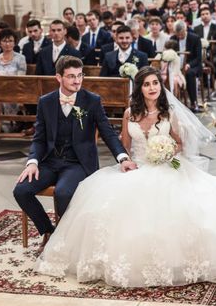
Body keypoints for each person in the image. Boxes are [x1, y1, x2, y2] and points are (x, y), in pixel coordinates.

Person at [35, 67, 216, 287]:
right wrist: (126, 163)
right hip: (138, 166)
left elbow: (179, 143)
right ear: (139, 88)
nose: (152, 88)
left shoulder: (169, 112)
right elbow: (126, 147)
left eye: (155, 83)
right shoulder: (129, 114)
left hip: (168, 167)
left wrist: (167, 151)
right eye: (147, 84)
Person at [14, 56, 132, 251]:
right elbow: (39, 138)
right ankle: (49, 231)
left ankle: (67, 238)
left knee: (63, 192)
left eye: (80, 75)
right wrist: (32, 162)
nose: (77, 81)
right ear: (58, 78)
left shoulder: (92, 101)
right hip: (50, 161)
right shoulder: (46, 102)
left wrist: (123, 158)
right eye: (71, 77)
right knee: (21, 191)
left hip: (78, 163)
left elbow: (108, 132)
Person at [170, 20, 203, 111]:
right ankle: (172, 103)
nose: (180, 36)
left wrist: (189, 64)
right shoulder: (173, 38)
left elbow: (198, 58)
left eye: (181, 34)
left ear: (185, 29)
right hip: (176, 65)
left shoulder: (195, 38)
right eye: (178, 34)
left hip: (192, 65)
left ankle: (193, 101)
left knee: (189, 73)